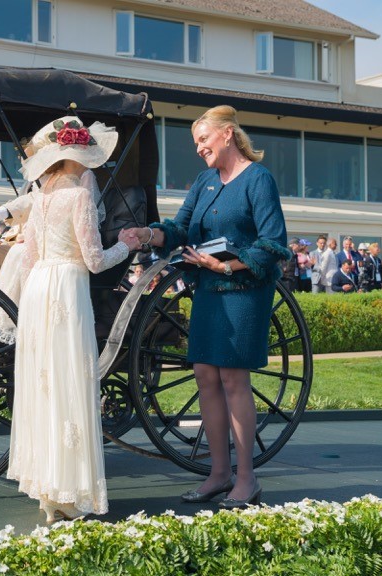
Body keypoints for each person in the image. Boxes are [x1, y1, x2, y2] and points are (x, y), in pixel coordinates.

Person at [124, 105, 290, 510]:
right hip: (207, 289)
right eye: (196, 142)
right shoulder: (204, 181)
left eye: (203, 139)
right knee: (204, 375)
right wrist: (148, 233)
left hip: (243, 289)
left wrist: (227, 264)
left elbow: (273, 243)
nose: (199, 148)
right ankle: (218, 474)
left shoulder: (258, 179)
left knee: (233, 378)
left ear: (228, 134)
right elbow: (181, 227)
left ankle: (246, 479)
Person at [6, 115, 139, 523]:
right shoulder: (79, 198)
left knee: (44, 385)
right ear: (75, 157)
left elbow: (28, 259)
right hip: (67, 285)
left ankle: (49, 495)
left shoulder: (41, 198)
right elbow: (95, 261)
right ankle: (70, 493)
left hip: (38, 290)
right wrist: (126, 244)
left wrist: (32, 302)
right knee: (70, 382)